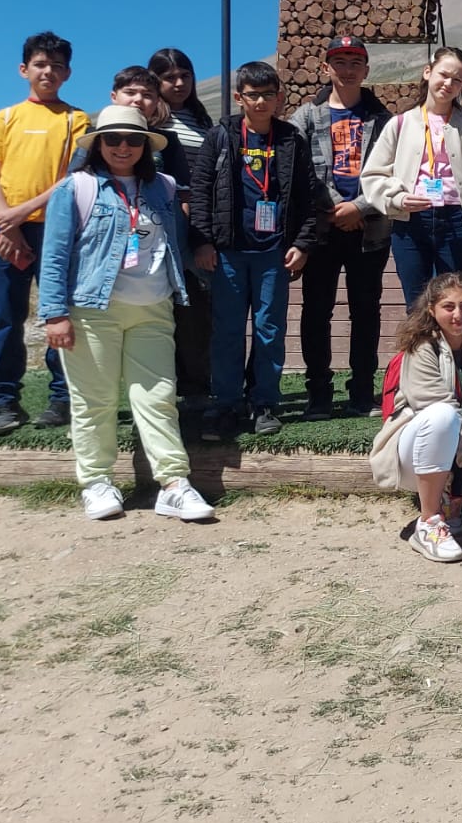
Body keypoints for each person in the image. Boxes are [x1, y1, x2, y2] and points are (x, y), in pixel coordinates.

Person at [38, 105, 215, 522]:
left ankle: (173, 484)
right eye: (113, 138)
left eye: (133, 139)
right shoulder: (76, 188)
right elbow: (55, 255)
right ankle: (96, 482)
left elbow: (174, 242)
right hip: (91, 310)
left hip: (154, 307)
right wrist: (54, 314)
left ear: (145, 146)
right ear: (98, 143)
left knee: (157, 399)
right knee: (94, 401)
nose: (123, 147)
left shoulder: (165, 188)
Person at [188, 61, 322, 440]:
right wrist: (202, 241)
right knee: (228, 331)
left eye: (268, 95)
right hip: (228, 251)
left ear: (279, 97)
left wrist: (302, 243)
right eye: (252, 95)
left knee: (269, 330)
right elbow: (200, 191)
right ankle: (226, 403)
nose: (261, 102)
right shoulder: (221, 136)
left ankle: (264, 403)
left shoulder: (291, 140)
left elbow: (308, 198)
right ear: (238, 97)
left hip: (274, 254)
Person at [0, 31, 89, 435]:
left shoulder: (77, 120)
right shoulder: (4, 118)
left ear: (68, 73)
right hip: (4, 233)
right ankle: (5, 402)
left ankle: (62, 398)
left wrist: (19, 214)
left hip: (55, 231)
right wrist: (7, 220)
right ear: (24, 70)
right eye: (40, 64)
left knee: (60, 313)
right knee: (6, 317)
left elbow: (72, 178)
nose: (48, 72)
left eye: (57, 66)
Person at [370, 274, 462, 564]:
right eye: (449, 306)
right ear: (432, 309)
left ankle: (453, 497)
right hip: (417, 453)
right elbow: (447, 417)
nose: (458, 315)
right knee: (442, 415)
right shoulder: (421, 348)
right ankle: (429, 522)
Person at [290, 35, 394, 419]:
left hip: (371, 231)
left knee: (365, 310)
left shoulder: (384, 120)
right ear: (326, 68)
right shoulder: (305, 117)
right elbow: (299, 171)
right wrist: (335, 205)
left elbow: (394, 170)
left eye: (355, 62)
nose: (347, 69)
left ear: (366, 70)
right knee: (317, 310)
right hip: (320, 230)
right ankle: (319, 393)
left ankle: (362, 392)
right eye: (340, 62)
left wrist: (360, 207)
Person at [363, 47, 462, 308]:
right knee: (417, 306)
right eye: (443, 75)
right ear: (428, 72)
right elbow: (373, 174)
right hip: (411, 223)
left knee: (455, 303)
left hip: (457, 221)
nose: (448, 83)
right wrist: (397, 198)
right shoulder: (400, 123)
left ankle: (456, 351)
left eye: (457, 80)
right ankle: (421, 351)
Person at [148, 47, 215, 418]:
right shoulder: (152, 125)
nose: (178, 83)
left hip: (199, 227)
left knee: (196, 309)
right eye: (169, 77)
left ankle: (195, 387)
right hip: (161, 228)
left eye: (184, 76)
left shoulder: (203, 122)